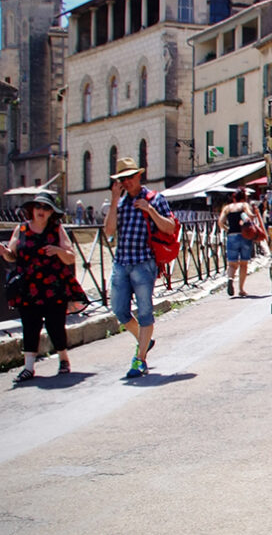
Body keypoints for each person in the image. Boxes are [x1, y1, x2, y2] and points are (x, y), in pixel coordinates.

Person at [1, 190, 88, 384]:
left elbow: (70, 256)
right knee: (30, 325)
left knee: (55, 324)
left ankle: (63, 359)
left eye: (46, 208)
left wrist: (57, 250)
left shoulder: (56, 230)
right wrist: (5, 252)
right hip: (29, 287)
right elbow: (12, 256)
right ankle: (29, 367)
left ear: (51, 213)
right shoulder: (21, 230)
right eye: (38, 207)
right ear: (32, 210)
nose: (41, 210)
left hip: (53, 286)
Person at [103, 156, 175, 378]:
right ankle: (145, 341)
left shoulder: (155, 198)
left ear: (138, 176)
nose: (126, 182)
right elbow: (108, 232)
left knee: (145, 312)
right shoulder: (121, 203)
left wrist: (150, 211)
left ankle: (140, 359)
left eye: (129, 178)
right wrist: (114, 200)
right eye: (121, 179)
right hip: (121, 263)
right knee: (119, 309)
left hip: (144, 263)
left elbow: (170, 228)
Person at [218, 189, 258, 297]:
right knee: (243, 263)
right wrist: (255, 212)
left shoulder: (227, 208)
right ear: (244, 197)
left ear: (234, 198)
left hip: (232, 236)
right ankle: (241, 289)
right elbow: (250, 216)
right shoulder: (244, 205)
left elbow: (220, 222)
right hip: (244, 235)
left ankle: (230, 279)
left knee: (232, 264)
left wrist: (227, 229)